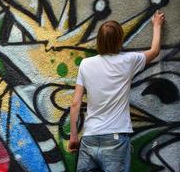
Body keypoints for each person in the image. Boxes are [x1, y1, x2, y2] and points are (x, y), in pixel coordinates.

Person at [68, 10, 165, 172]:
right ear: (120, 39)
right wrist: (157, 25)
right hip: (116, 139)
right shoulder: (128, 61)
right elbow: (154, 51)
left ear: (99, 40)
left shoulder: (85, 64)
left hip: (90, 137)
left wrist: (73, 135)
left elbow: (75, 103)